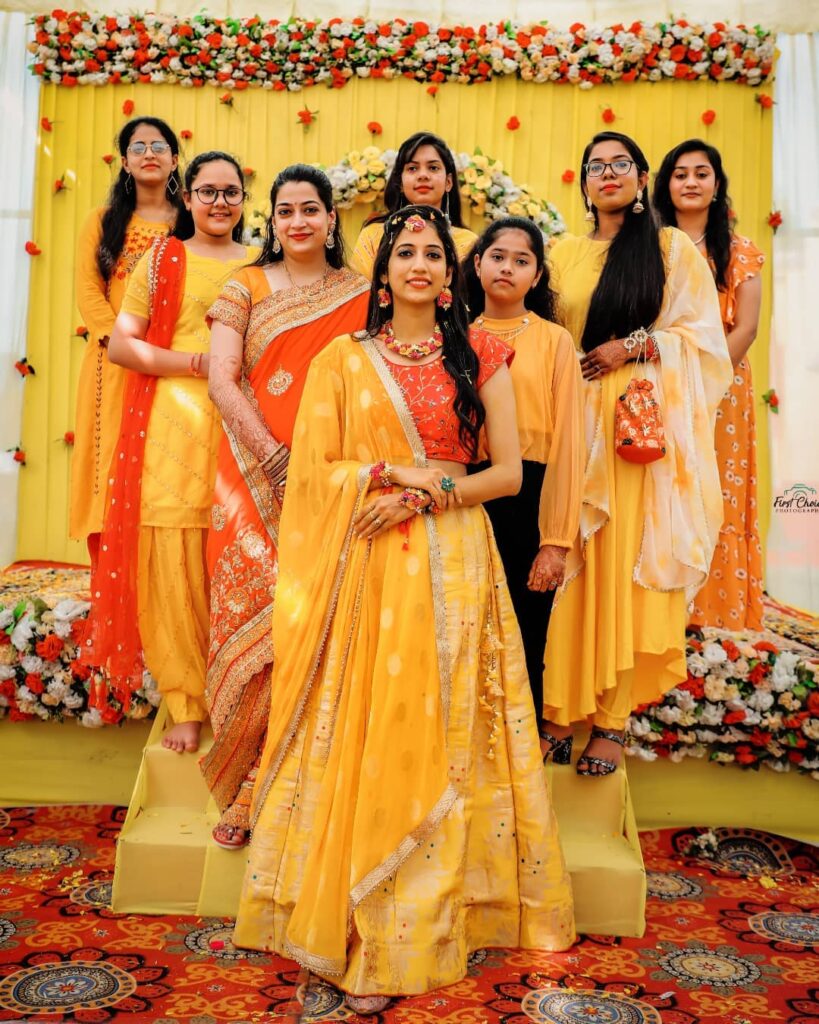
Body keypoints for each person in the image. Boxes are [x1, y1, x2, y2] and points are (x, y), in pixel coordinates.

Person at [233, 205, 574, 1012]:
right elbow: (315, 474)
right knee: (366, 727)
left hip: (453, 560)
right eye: (404, 252)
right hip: (367, 563)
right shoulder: (343, 360)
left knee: (440, 736)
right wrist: (390, 470)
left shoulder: (484, 351)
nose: (419, 263)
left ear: (448, 273)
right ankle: (347, 916)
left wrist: (426, 494)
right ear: (382, 273)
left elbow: (507, 477)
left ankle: (415, 926)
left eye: (432, 252)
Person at [541, 132, 732, 776]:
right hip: (567, 418)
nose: (608, 174)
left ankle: (613, 719)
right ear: (584, 183)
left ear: (641, 175)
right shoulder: (562, 252)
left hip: (634, 426)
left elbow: (703, 339)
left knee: (621, 559)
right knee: (567, 552)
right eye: (595, 166)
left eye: (620, 164)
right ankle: (559, 711)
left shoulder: (670, 248)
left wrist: (634, 346)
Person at [202, 165, 370, 850]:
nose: (297, 222)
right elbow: (221, 376)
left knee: (320, 623)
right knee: (256, 622)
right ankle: (247, 778)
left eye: (310, 209)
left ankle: (297, 776)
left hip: (333, 477)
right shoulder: (244, 284)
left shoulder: (363, 292)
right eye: (284, 211)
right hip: (249, 473)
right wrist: (271, 455)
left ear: (332, 219)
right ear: (270, 222)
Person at [80, 152, 257, 755]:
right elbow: (124, 347)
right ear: (189, 196)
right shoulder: (164, 258)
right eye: (207, 191)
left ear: (243, 198)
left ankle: (239, 688)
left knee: (233, 553)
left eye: (230, 192)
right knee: (174, 556)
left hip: (244, 424)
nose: (219, 203)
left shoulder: (262, 263)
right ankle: (185, 698)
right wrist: (199, 364)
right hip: (173, 423)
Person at [463, 217, 583, 746]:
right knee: (464, 620)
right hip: (464, 491)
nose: (507, 267)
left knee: (524, 625)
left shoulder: (555, 342)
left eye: (521, 260)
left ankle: (520, 743)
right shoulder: (453, 335)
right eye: (498, 256)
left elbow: (570, 446)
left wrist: (555, 540)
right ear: (477, 263)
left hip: (531, 494)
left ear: (536, 276)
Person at [654, 139, 765, 631]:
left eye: (702, 173)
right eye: (681, 174)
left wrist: (703, 380)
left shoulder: (739, 251)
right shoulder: (651, 244)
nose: (691, 182)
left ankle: (717, 611)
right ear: (666, 185)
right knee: (666, 490)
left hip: (721, 390)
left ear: (717, 185)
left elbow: (746, 327)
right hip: (660, 384)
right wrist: (671, 377)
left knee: (713, 489)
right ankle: (660, 610)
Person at [71, 117, 182, 565]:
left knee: (164, 465)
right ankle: (109, 582)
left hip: (175, 365)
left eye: (159, 146)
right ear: (124, 162)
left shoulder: (190, 223)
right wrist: (121, 343)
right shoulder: (102, 221)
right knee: (110, 466)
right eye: (139, 147)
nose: (149, 153)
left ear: (175, 159)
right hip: (111, 365)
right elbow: (88, 291)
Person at [350, 131, 477, 278]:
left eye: (433, 168)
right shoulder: (373, 236)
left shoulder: (468, 244)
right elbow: (361, 296)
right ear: (401, 184)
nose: (423, 175)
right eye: (412, 168)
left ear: (448, 182)